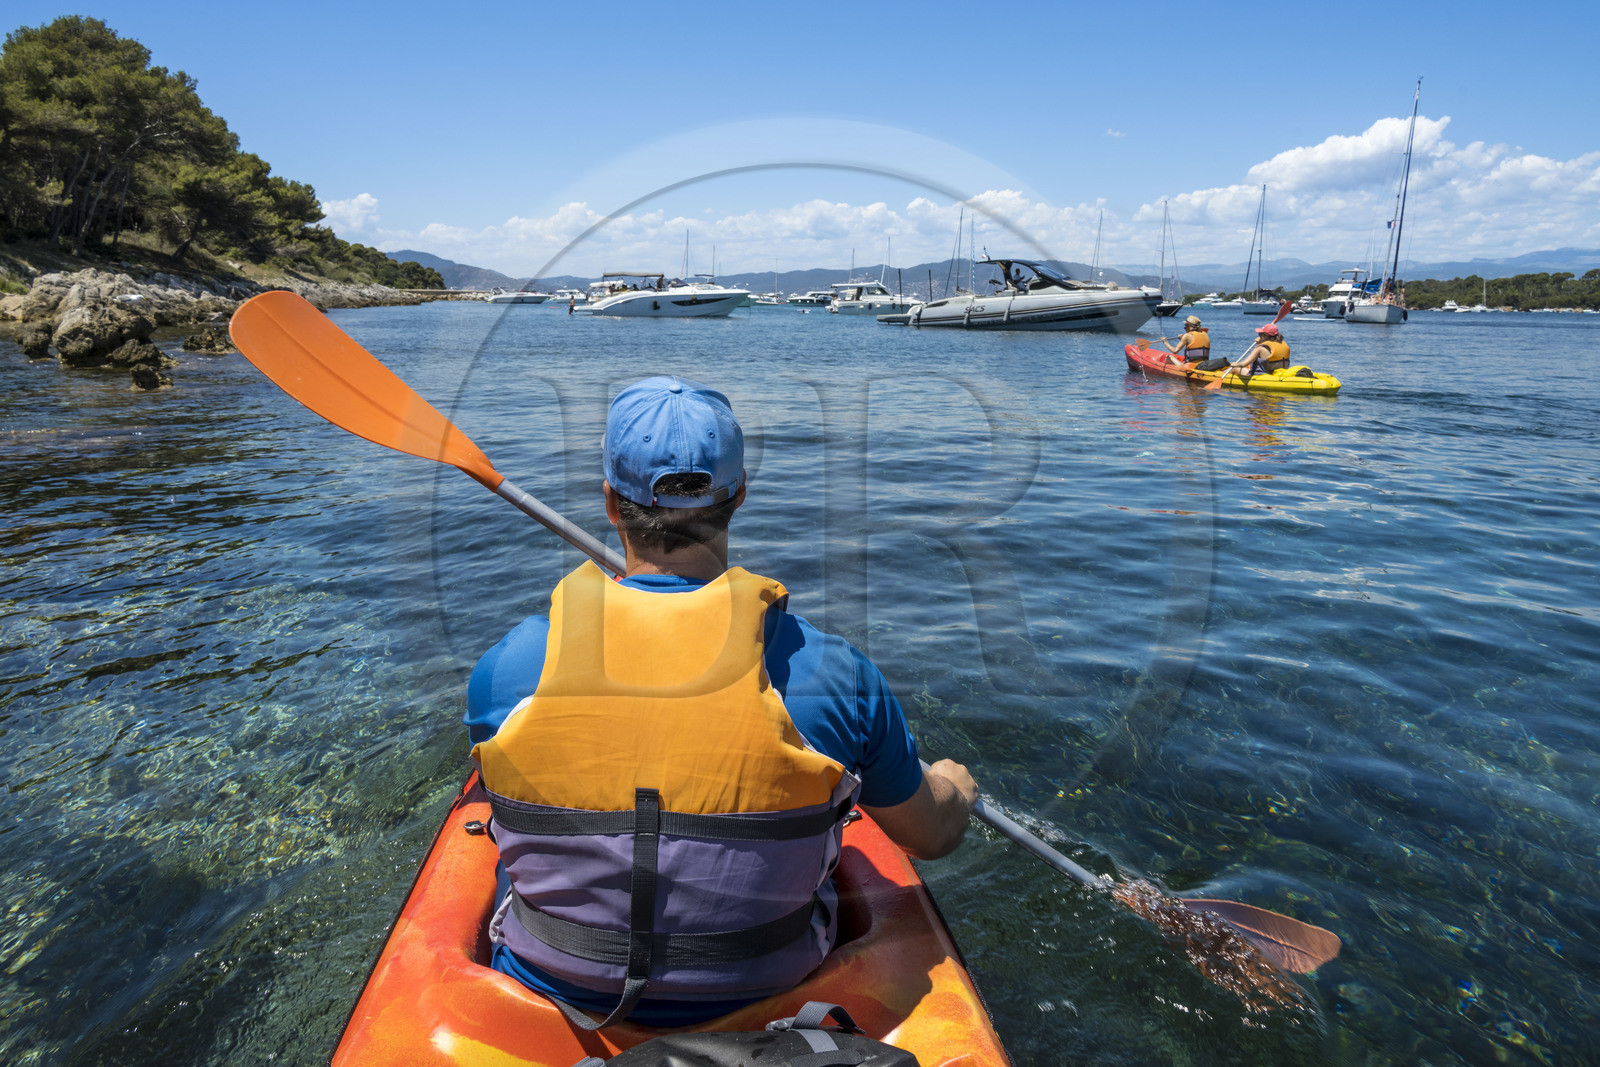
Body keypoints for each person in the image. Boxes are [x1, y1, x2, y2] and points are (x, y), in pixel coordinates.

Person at [464, 376, 978, 1030]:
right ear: (738, 496)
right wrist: (953, 791)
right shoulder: (834, 674)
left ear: (611, 503)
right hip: (771, 1006)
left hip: (552, 1001)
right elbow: (931, 837)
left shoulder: (507, 671)